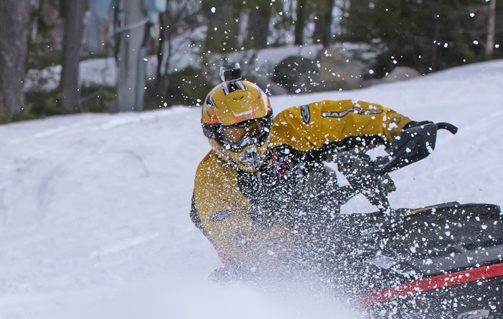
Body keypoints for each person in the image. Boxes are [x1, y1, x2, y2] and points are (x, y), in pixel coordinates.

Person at [190, 63, 456, 271]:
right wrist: (312, 240)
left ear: (268, 122)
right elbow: (244, 246)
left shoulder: (292, 128)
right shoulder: (211, 180)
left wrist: (402, 128)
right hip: (265, 274)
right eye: (236, 134)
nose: (248, 142)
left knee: (321, 176)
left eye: (254, 129)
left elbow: (348, 116)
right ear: (214, 134)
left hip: (325, 236)